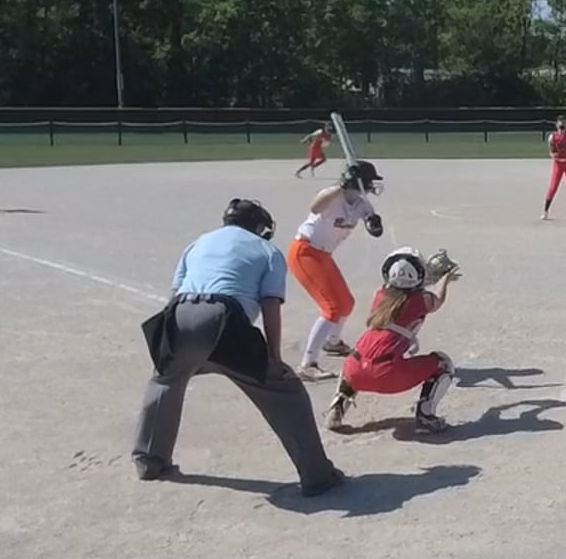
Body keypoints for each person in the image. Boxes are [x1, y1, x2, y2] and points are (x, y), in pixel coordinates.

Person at [133, 198, 345, 497]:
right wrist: (274, 359)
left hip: (179, 315)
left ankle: (149, 460)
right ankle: (317, 475)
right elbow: (270, 306)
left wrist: (168, 347)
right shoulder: (267, 251)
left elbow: (175, 294)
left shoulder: (198, 243)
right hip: (223, 321)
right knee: (285, 392)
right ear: (259, 227)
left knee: (165, 379)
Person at [326, 247, 462, 435]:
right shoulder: (420, 300)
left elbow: (402, 289)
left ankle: (338, 406)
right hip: (388, 375)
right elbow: (437, 299)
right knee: (443, 364)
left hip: (355, 372)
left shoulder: (380, 295)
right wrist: (444, 278)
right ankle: (426, 415)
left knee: (356, 360)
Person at [287, 160, 385, 380]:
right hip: (305, 251)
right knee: (333, 307)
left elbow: (375, 230)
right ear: (357, 182)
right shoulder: (332, 196)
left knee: (346, 303)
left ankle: (332, 342)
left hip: (323, 255)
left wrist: (374, 221)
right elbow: (315, 207)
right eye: (369, 182)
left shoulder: (362, 205)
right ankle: (308, 364)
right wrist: (341, 187)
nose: (372, 186)